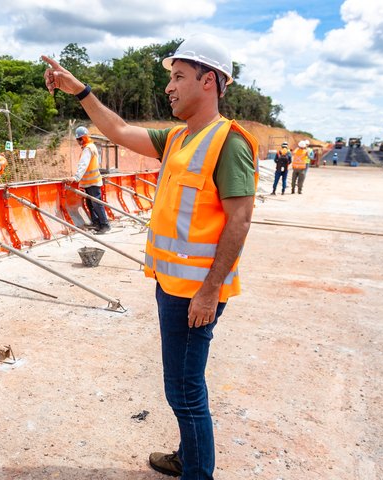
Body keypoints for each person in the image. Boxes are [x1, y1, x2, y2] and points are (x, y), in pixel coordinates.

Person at [43, 33, 258, 480]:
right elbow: (119, 130)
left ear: (211, 82)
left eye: (179, 77)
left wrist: (209, 291)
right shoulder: (178, 138)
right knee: (184, 383)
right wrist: (79, 90)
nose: (169, 86)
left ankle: (197, 472)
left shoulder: (229, 142)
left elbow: (239, 221)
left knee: (184, 389)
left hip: (195, 293)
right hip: (170, 283)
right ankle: (188, 457)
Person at [72, 126, 110, 234]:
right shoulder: (89, 147)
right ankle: (97, 223)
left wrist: (76, 178)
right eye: (78, 140)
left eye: (80, 139)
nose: (79, 142)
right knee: (90, 203)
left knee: (96, 203)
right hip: (89, 182)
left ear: (85, 138)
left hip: (93, 182)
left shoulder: (88, 149)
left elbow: (83, 164)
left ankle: (104, 224)